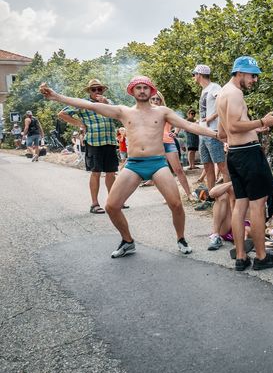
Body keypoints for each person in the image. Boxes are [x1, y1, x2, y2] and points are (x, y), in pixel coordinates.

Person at [40, 76, 221, 258]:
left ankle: (181, 239)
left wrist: (215, 134)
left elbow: (189, 125)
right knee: (111, 206)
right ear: (132, 91)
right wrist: (57, 96)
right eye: (138, 88)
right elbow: (89, 105)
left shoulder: (162, 112)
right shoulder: (123, 111)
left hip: (157, 163)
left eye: (145, 88)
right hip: (134, 164)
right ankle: (127, 241)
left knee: (176, 204)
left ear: (151, 91)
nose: (142, 91)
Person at [217, 55, 273, 271]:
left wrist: (253, 128)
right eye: (252, 75)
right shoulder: (235, 93)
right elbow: (235, 126)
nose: (254, 80)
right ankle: (262, 257)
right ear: (240, 73)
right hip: (248, 154)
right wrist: (263, 121)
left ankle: (241, 257)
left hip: (234, 154)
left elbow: (222, 132)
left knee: (240, 204)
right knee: (257, 204)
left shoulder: (222, 94)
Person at [57, 79, 120, 214]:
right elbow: (62, 113)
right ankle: (94, 204)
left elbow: (119, 113)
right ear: (89, 91)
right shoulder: (83, 104)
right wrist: (80, 124)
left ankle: (113, 202)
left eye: (99, 89)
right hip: (94, 141)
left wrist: (106, 103)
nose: (97, 91)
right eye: (94, 89)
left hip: (110, 141)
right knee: (96, 172)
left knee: (111, 172)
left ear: (103, 90)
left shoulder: (109, 103)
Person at [192, 64, 228, 209]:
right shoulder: (204, 90)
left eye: (194, 74)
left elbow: (224, 102)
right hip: (203, 133)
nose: (193, 77)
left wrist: (213, 116)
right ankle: (212, 198)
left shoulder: (214, 87)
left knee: (221, 165)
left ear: (199, 74)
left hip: (212, 132)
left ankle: (228, 196)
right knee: (207, 166)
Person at [152, 91, 194, 201]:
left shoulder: (166, 112)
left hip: (168, 143)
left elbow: (179, 123)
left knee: (178, 170)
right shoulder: (147, 112)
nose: (155, 101)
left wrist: (175, 133)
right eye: (153, 99)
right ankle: (169, 197)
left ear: (161, 100)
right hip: (155, 145)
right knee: (161, 173)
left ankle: (189, 194)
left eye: (158, 99)